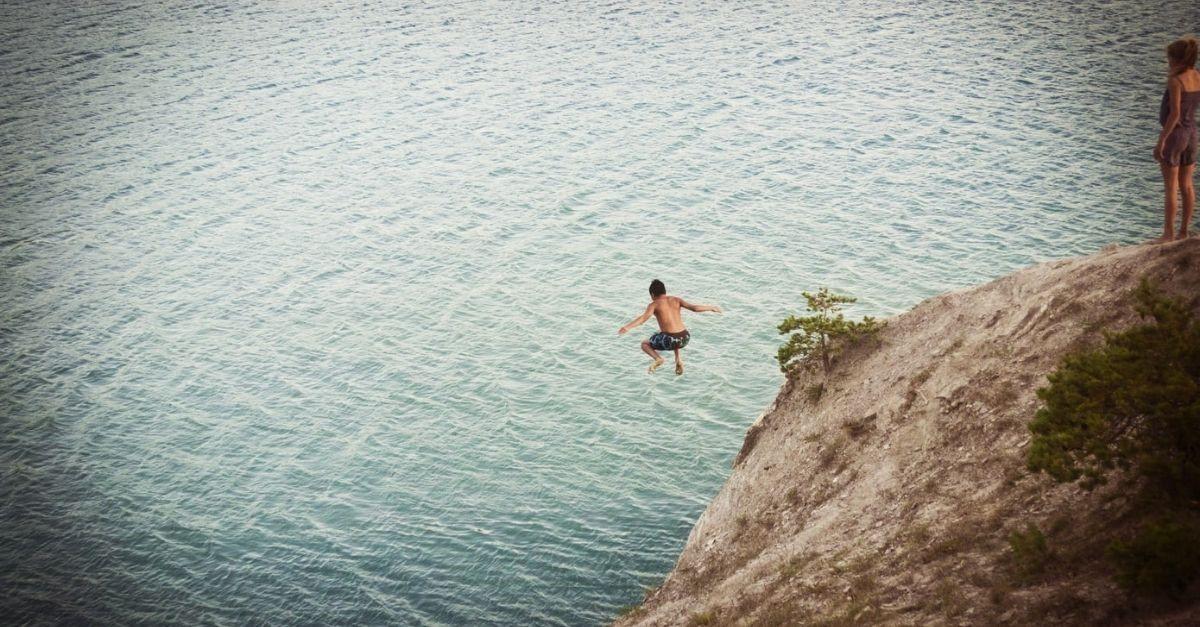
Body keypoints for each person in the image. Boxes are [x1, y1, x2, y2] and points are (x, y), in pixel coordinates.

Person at [617, 279, 721, 375]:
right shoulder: (676, 300)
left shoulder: (654, 304)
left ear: (652, 294)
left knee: (644, 344)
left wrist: (627, 327)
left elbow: (643, 319)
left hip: (670, 340)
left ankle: (658, 359)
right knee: (667, 333)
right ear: (664, 291)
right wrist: (712, 307)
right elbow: (694, 308)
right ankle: (678, 360)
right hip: (685, 338)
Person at [1153, 37, 1200, 242]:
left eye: (1169, 58)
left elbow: (1175, 114)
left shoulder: (1175, 81)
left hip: (1176, 135)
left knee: (1171, 187)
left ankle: (1168, 234)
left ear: (1177, 59)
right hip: (1192, 134)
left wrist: (1162, 140)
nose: (1168, 62)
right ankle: (1184, 232)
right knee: (1187, 185)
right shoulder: (1197, 76)